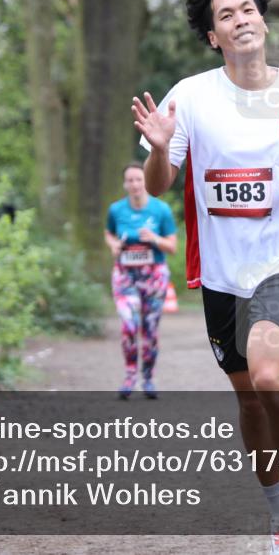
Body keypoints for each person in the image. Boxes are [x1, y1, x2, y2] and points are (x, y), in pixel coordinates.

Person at [132, 0, 279, 555]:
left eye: (247, 9)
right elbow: (158, 185)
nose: (240, 20)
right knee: (249, 399)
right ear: (214, 36)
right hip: (222, 273)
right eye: (225, 15)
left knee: (269, 377)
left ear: (263, 20)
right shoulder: (190, 97)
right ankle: (277, 511)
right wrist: (160, 149)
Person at [104, 162, 178, 400]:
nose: (135, 184)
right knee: (129, 325)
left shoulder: (161, 210)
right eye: (130, 180)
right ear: (125, 184)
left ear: (145, 181)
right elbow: (109, 233)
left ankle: (147, 377)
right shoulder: (116, 210)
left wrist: (154, 238)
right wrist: (114, 245)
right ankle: (129, 375)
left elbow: (172, 247)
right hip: (125, 275)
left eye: (139, 179)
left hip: (154, 276)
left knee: (150, 329)